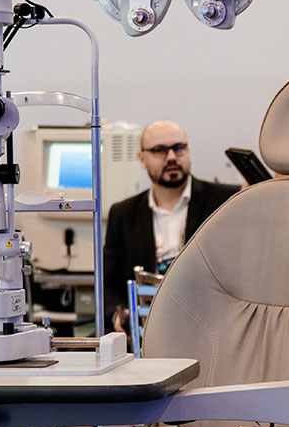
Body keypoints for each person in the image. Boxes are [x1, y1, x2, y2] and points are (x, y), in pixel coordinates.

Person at [103, 119, 240, 331]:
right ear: (141, 159)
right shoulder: (123, 214)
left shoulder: (226, 202)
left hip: (209, 328)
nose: (172, 157)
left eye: (179, 148)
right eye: (160, 150)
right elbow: (108, 285)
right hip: (146, 330)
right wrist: (119, 315)